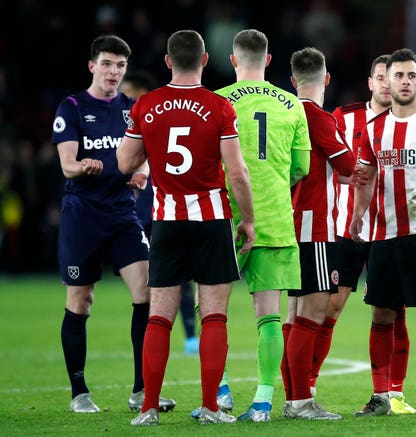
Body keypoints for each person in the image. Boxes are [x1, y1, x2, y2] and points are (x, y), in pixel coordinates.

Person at [117, 29, 255, 426]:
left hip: (166, 222)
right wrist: (247, 220)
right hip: (210, 221)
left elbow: (125, 163)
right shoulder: (218, 106)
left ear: (167, 61)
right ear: (206, 60)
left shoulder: (147, 105)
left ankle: (148, 409)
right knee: (214, 316)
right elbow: (238, 173)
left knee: (159, 317)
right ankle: (211, 408)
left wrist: (147, 148)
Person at [51, 34, 175, 414]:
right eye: (106, 64)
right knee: (81, 300)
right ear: (92, 66)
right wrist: (83, 166)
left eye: (120, 66)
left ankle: (141, 389)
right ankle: (79, 393)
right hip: (83, 216)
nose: (113, 72)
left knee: (147, 292)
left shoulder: (133, 109)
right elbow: (67, 163)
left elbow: (148, 155)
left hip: (122, 215)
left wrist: (142, 171)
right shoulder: (71, 106)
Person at [309, 54, 416, 415]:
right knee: (330, 307)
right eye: (381, 77)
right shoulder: (344, 117)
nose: (388, 84)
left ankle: (394, 393)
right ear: (372, 82)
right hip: (346, 229)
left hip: (391, 230)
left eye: (394, 77)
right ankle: (306, 388)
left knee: (394, 311)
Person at [348, 48, 416, 417]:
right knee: (382, 315)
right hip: (384, 236)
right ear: (386, 81)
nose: (405, 81)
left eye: (412, 75)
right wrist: (358, 214)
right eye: (398, 75)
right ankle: (381, 396)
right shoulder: (373, 129)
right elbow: (366, 177)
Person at [213, 29, 312, 422]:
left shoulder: (216, 101)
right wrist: (271, 179)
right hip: (272, 217)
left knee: (213, 313)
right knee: (269, 315)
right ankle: (262, 402)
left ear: (234, 60)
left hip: (222, 219)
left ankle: (218, 394)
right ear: (268, 61)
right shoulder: (292, 104)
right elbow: (301, 167)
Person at [280, 46, 355, 420]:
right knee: (313, 312)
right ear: (326, 79)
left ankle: (293, 398)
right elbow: (348, 164)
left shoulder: (282, 112)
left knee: (293, 315)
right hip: (314, 224)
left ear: (293, 81)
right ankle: (300, 401)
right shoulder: (318, 117)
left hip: (284, 222)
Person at [121, 71, 201, 357]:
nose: (124, 96)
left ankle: (190, 335)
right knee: (152, 280)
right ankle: (159, 340)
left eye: (128, 91)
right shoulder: (132, 119)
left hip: (164, 207)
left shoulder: (153, 115)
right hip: (141, 209)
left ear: (141, 90)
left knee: (177, 275)